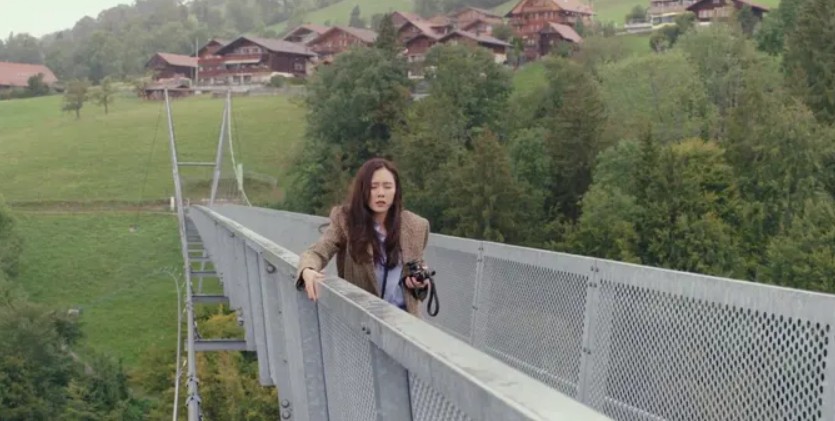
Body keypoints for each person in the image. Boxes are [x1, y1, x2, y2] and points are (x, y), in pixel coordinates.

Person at [295, 157, 432, 316]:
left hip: (403, 321)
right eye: (373, 187)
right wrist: (308, 269)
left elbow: (416, 275)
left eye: (387, 187)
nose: (381, 193)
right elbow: (318, 251)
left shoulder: (416, 226)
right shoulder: (345, 220)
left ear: (396, 191)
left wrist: (419, 283)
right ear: (362, 190)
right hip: (363, 320)